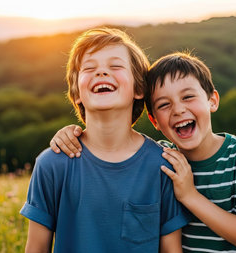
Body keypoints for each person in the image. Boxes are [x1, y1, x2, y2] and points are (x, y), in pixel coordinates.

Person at [50, 52, 236, 252]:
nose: (178, 109)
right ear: (154, 120)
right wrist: (72, 132)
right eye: (163, 105)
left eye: (188, 97)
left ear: (212, 100)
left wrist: (190, 196)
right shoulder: (160, 157)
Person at [20, 28, 188, 253]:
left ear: (139, 88)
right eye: (89, 68)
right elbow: (36, 248)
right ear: (76, 92)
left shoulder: (163, 166)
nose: (101, 73)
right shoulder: (52, 164)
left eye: (115, 66)